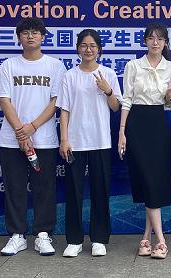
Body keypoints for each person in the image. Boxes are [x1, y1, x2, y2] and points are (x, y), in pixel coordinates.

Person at [0, 17, 65, 256]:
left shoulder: (55, 66)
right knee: (14, 188)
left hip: (44, 139)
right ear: (19, 38)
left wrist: (32, 127)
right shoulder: (8, 65)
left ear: (43, 37)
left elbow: (56, 101)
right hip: (11, 139)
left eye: (35, 32)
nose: (30, 36)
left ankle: (43, 234)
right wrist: (20, 131)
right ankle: (17, 235)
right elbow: (4, 99)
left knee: (44, 188)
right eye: (25, 33)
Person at [57, 29, 122, 257]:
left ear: (99, 49)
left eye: (93, 46)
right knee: (73, 191)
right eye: (84, 45)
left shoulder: (108, 73)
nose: (88, 49)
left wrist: (108, 90)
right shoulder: (69, 76)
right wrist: (64, 139)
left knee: (100, 191)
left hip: (100, 141)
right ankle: (74, 240)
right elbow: (64, 110)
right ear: (78, 49)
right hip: (74, 142)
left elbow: (116, 107)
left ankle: (99, 239)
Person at [119, 23, 171, 259]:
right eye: (151, 38)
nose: (155, 42)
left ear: (165, 42)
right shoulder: (133, 66)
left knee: (154, 180)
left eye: (160, 39)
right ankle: (161, 240)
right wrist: (122, 131)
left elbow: (168, 105)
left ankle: (146, 237)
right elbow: (127, 99)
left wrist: (169, 96)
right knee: (146, 178)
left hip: (158, 123)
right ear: (145, 41)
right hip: (136, 122)